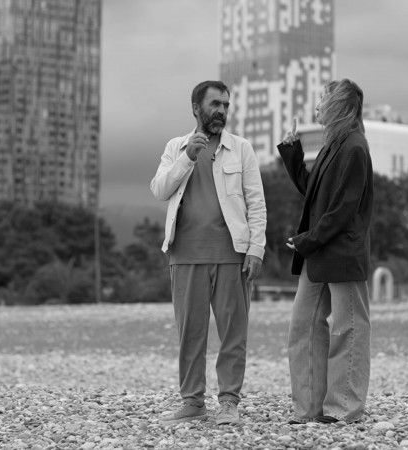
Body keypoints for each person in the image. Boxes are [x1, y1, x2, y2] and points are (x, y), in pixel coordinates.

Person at [150, 80, 267, 426]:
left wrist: (256, 249)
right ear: (196, 108)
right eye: (215, 104)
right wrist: (187, 157)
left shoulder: (241, 148)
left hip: (233, 253)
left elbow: (256, 202)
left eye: (226, 105)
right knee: (190, 334)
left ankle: (229, 402)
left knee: (233, 333)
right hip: (185, 255)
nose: (221, 111)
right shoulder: (175, 147)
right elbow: (159, 190)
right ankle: (192, 402)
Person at [276, 79, 374, 425]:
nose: (317, 105)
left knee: (349, 329)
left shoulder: (355, 147)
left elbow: (343, 209)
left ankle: (343, 409)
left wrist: (309, 239)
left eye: (323, 98)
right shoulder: (334, 145)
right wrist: (293, 153)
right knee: (303, 327)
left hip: (341, 253)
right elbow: (313, 191)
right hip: (319, 252)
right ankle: (309, 409)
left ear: (339, 105)